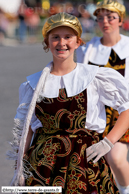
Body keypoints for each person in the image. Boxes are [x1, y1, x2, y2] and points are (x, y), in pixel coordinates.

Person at [8, 12, 129, 194]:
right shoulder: (32, 84)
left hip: (86, 164)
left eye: (68, 37)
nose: (62, 42)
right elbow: (28, 128)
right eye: (55, 37)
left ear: (78, 42)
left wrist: (109, 142)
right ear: (47, 43)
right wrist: (20, 165)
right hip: (43, 166)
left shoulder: (95, 77)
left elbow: (126, 108)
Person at [76, 0, 129, 193]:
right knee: (100, 164)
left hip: (123, 112)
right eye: (100, 18)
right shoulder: (87, 49)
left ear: (120, 20)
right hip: (96, 112)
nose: (105, 21)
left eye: (110, 17)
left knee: (115, 158)